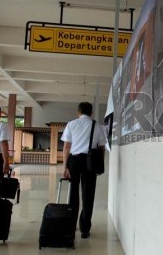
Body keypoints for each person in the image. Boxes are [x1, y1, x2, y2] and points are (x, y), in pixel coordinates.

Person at [61, 102, 107, 239]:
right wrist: (99, 163)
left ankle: (70, 224)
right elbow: (102, 147)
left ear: (78, 112)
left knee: (73, 194)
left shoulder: (71, 124)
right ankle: (85, 229)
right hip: (90, 162)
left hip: (74, 161)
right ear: (91, 112)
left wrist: (64, 166)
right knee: (88, 195)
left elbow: (66, 147)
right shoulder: (96, 125)